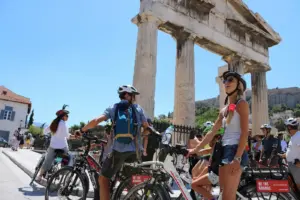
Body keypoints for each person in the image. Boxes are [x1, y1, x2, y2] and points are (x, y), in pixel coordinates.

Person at [75, 85, 150, 200]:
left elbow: (96, 121)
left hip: (120, 151)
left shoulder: (114, 108)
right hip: (136, 151)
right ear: (127, 95)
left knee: (103, 178)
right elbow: (146, 128)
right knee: (129, 179)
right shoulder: (138, 109)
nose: (134, 98)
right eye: (133, 95)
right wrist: (141, 138)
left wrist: (81, 130)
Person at [188, 70, 249, 200]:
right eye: (225, 80)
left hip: (234, 151)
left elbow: (245, 133)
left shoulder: (241, 104)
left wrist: (237, 158)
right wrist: (196, 149)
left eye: (230, 79)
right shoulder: (223, 110)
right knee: (222, 195)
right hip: (223, 152)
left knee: (228, 196)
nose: (226, 82)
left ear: (238, 85)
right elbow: (212, 132)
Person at [36, 104, 74, 181]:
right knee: (65, 158)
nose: (68, 117)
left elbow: (45, 131)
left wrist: (42, 134)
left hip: (53, 146)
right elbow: (67, 135)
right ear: (63, 116)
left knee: (47, 161)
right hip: (63, 147)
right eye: (67, 115)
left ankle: (39, 176)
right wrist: (74, 136)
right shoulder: (63, 124)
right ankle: (59, 171)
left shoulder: (54, 123)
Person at [191, 129, 224, 200]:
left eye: (207, 137)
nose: (206, 139)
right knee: (205, 187)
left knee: (194, 185)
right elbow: (204, 151)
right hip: (217, 174)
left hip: (216, 175)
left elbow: (209, 164)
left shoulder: (216, 147)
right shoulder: (217, 146)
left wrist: (192, 152)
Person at [278, 117, 300, 190]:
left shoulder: (298, 136)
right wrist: (283, 155)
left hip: (297, 165)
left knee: (298, 184)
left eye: (287, 127)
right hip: (292, 165)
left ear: (289, 127)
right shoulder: (293, 137)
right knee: (294, 185)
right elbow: (292, 151)